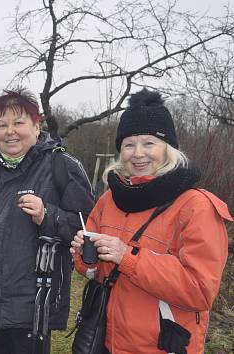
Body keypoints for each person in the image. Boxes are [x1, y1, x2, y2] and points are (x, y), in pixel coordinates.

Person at [71, 89, 232, 354]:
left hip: (162, 346)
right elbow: (94, 272)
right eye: (129, 144)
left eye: (149, 143)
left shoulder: (196, 206)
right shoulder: (110, 199)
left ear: (168, 148)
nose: (138, 153)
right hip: (107, 341)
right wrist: (85, 255)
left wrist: (128, 257)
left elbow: (200, 291)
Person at [0, 90, 94, 354]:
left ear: (37, 127)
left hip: (32, 303)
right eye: (2, 125)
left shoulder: (62, 166)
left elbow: (87, 230)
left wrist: (47, 215)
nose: (9, 131)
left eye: (18, 123)